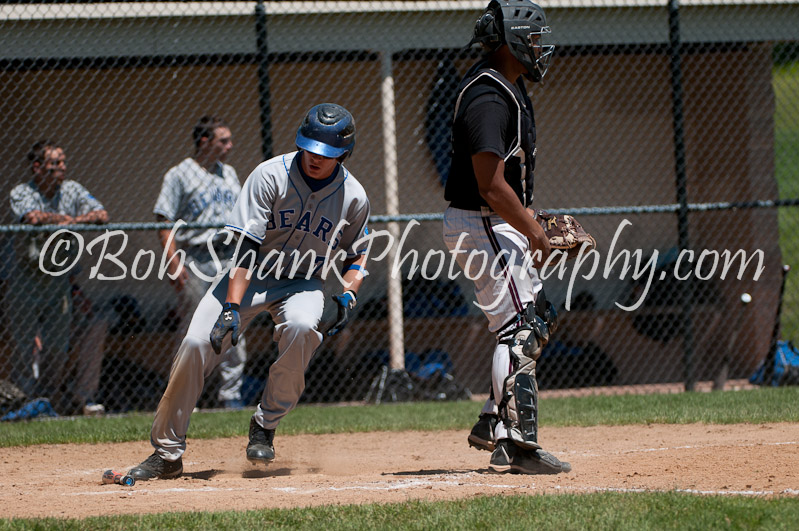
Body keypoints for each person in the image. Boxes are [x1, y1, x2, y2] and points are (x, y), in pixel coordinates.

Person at [128, 103, 370, 480]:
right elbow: (244, 248)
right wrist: (230, 307)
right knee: (195, 344)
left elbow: (358, 252)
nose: (314, 158)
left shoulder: (353, 195)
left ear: (344, 153)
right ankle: (167, 453)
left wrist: (348, 295)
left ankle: (265, 424)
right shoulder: (270, 175)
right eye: (309, 148)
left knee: (305, 327)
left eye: (326, 153)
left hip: (302, 281)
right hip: (250, 274)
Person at [441, 0, 570, 474]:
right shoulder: (489, 98)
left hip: (491, 222)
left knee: (532, 319)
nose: (538, 49)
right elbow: (490, 186)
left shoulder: (508, 89)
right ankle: (516, 445)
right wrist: (533, 230)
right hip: (481, 222)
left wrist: (533, 219)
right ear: (512, 41)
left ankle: (492, 421)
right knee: (520, 330)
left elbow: (508, 184)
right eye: (532, 40)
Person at [153, 116, 248, 409]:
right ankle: (182, 397)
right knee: (193, 331)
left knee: (235, 325)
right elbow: (163, 219)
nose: (230, 146)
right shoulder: (179, 174)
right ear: (204, 142)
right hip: (196, 258)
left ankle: (230, 396)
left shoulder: (228, 173)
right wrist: (173, 262)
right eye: (223, 140)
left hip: (230, 256)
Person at [8, 140, 109, 414]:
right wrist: (61, 219)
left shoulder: (72, 189)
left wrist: (71, 223)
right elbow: (33, 217)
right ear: (38, 167)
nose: (62, 167)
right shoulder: (22, 191)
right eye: (56, 163)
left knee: (56, 348)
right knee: (25, 350)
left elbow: (100, 213)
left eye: (63, 161)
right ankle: (22, 406)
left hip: (58, 280)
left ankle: (49, 405)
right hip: (26, 279)